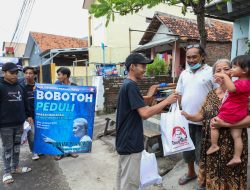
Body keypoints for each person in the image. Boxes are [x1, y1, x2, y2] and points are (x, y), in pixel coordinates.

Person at [116, 53, 178, 190]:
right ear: (132, 67)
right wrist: (166, 101)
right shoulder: (131, 86)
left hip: (126, 140)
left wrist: (150, 96)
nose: (145, 69)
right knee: (130, 184)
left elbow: (139, 104)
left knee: (123, 180)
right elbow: (144, 113)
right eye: (142, 66)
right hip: (130, 142)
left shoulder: (127, 84)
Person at [182, 59, 248, 189]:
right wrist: (189, 116)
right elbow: (201, 115)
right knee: (213, 172)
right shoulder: (210, 94)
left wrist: (225, 125)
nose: (222, 73)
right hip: (212, 143)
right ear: (214, 76)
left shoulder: (242, 92)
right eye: (218, 70)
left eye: (226, 69)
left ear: (233, 72)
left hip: (232, 146)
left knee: (230, 174)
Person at [175, 44, 216, 186]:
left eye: (194, 57)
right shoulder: (184, 73)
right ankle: (191, 173)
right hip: (185, 121)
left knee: (202, 152)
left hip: (204, 121)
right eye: (188, 57)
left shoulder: (211, 72)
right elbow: (178, 93)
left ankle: (203, 178)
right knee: (187, 150)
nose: (191, 60)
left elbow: (219, 95)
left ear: (202, 57)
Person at [207, 55, 250, 166]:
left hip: (231, 114)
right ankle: (236, 157)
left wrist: (224, 77)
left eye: (231, 68)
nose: (229, 71)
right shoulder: (212, 93)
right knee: (237, 136)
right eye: (219, 71)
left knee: (213, 123)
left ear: (245, 70)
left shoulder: (240, 83)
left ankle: (214, 145)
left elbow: (231, 89)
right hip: (238, 114)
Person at [0, 62, 33, 184]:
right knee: (7, 148)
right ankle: (7, 172)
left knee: (17, 147)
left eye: (16, 73)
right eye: (11, 73)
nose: (14, 75)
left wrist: (28, 115)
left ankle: (16, 167)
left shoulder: (20, 86)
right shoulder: (1, 86)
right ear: (4, 73)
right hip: (5, 125)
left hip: (19, 123)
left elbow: (25, 103)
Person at [53, 67, 78, 160]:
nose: (58, 77)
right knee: (60, 132)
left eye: (59, 74)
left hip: (71, 114)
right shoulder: (56, 85)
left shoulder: (74, 86)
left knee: (71, 131)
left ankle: (71, 150)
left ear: (65, 75)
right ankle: (58, 152)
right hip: (60, 113)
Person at [20, 66, 40, 160]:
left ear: (34, 75)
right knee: (31, 134)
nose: (28, 75)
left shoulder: (39, 86)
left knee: (40, 133)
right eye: (26, 73)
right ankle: (34, 152)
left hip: (40, 115)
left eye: (30, 73)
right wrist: (27, 115)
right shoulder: (21, 86)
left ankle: (41, 149)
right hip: (29, 115)